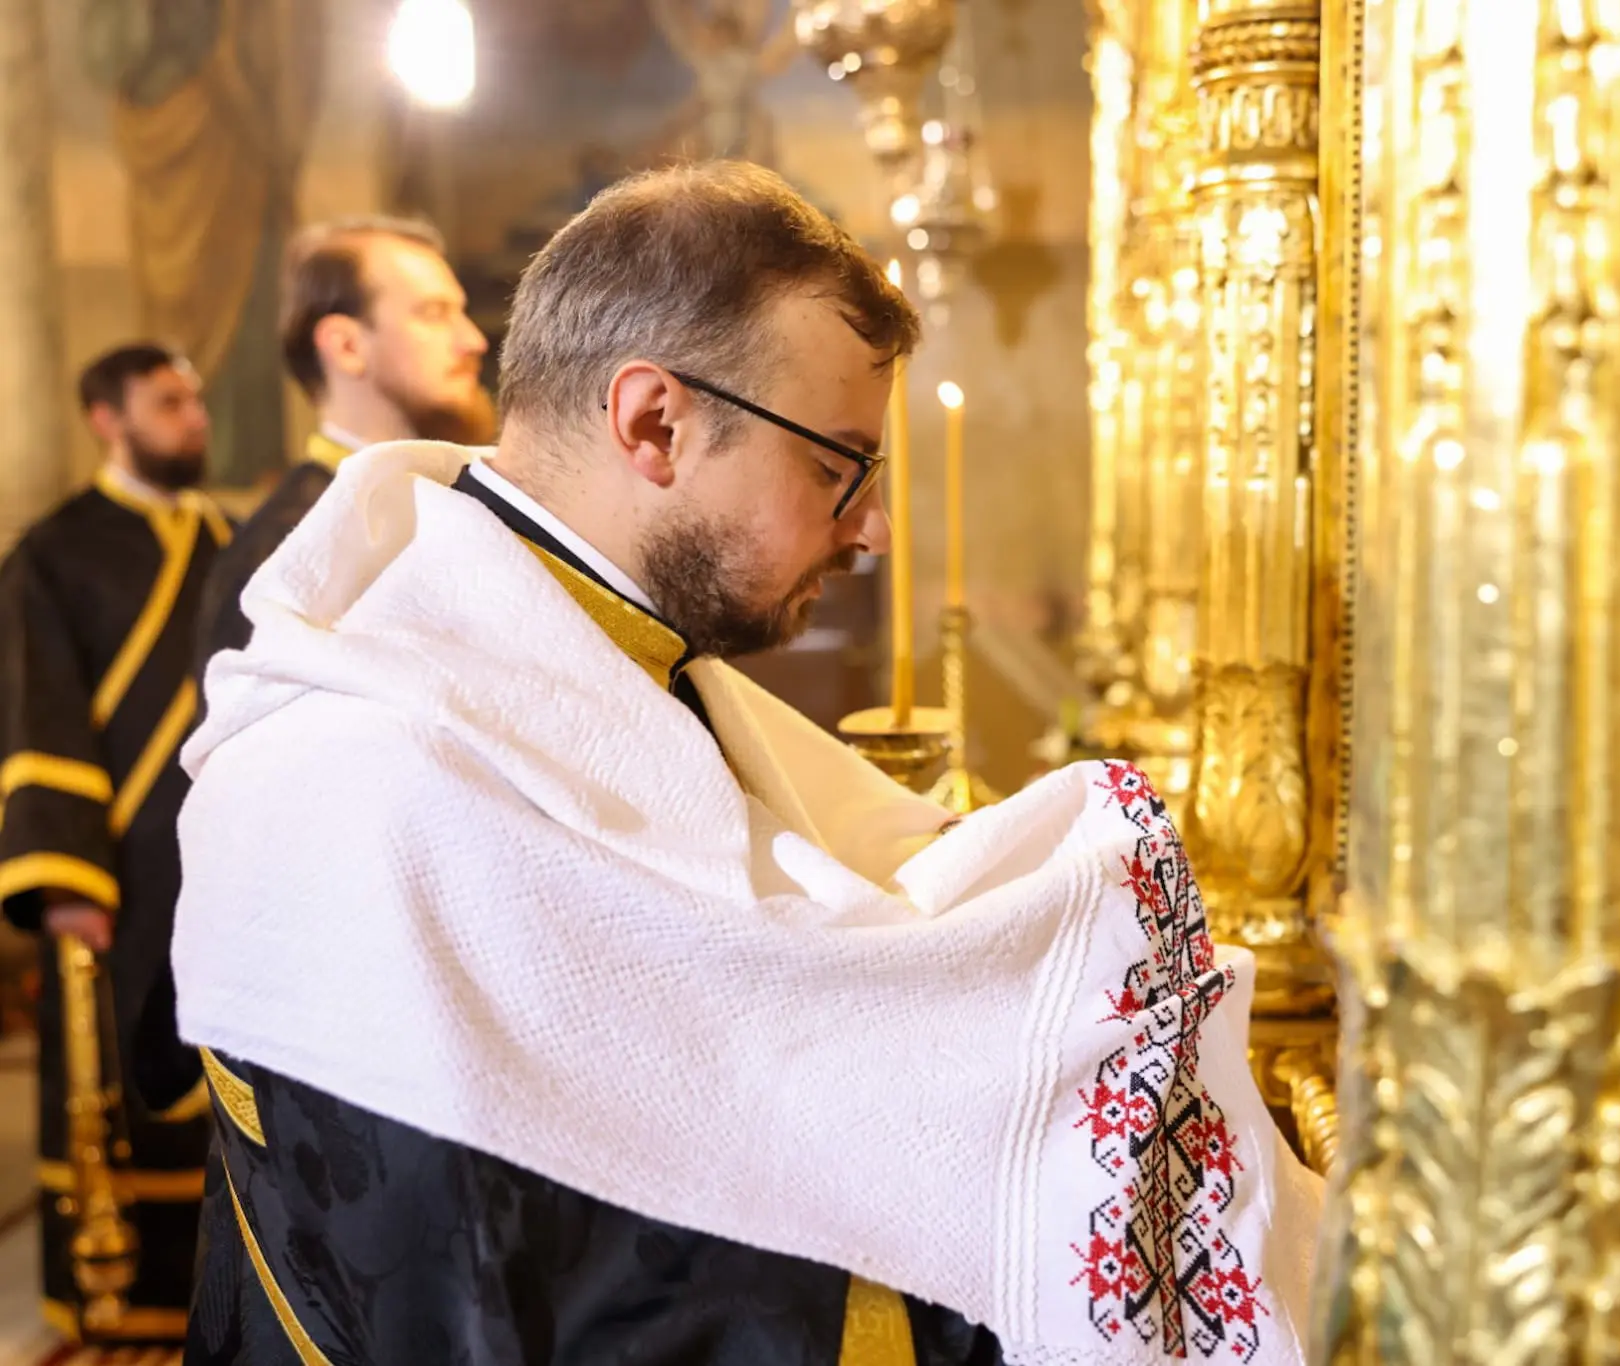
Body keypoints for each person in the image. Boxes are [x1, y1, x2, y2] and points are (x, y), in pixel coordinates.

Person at [173, 163, 1322, 1364]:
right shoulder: (373, 787)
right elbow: (497, 1291)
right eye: (837, 463)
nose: (870, 526)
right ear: (653, 424)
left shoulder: (611, 667)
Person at [0, 343, 229, 1345]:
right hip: (120, 877)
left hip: (227, 863)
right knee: (125, 1078)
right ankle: (127, 1301)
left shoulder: (230, 538)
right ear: (108, 418)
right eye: (168, 403)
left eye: (195, 400)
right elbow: (36, 712)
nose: (194, 418)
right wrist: (65, 876)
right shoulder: (52, 553)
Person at [193, 214, 490, 665]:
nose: (472, 340)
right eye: (434, 314)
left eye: (461, 312)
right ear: (347, 347)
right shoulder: (282, 548)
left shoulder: (459, 501)